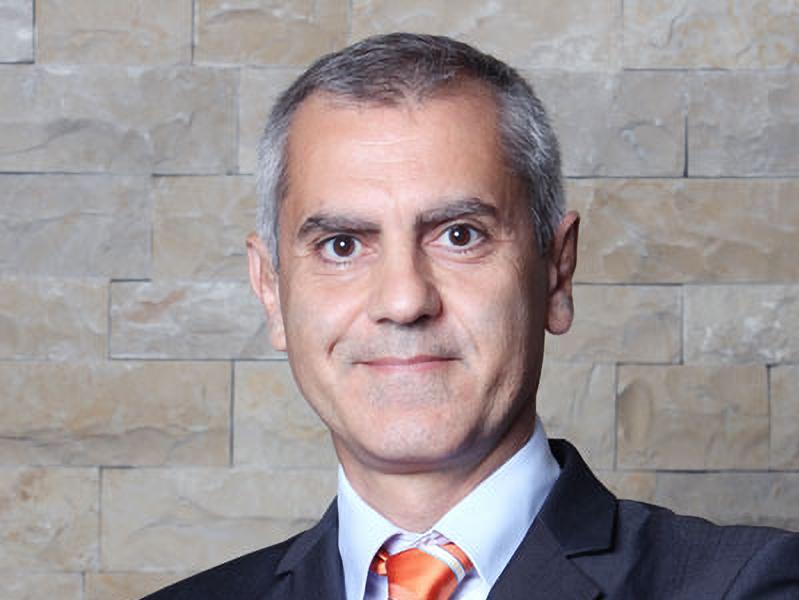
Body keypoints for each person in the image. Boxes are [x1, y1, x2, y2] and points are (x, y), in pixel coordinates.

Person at [144, 33, 799, 600]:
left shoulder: (748, 584)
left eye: (459, 236)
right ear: (270, 290)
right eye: (341, 245)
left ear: (556, 272)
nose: (403, 301)